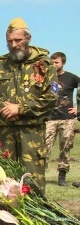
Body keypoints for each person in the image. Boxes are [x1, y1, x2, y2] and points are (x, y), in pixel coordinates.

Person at [0, 18, 58, 195]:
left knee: (33, 179)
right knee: (6, 179)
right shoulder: (1, 64)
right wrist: (4, 108)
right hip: (5, 130)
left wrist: (20, 109)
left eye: (18, 40)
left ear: (28, 38)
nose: (14, 45)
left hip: (31, 131)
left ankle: (36, 219)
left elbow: (51, 97)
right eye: (10, 41)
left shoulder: (44, 65)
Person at [44, 52, 80, 186]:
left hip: (67, 119)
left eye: (56, 62)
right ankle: (41, 175)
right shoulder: (47, 78)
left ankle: (62, 176)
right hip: (49, 119)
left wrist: (77, 108)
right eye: (52, 62)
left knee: (65, 147)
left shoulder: (71, 78)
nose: (54, 65)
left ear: (63, 63)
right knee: (45, 147)